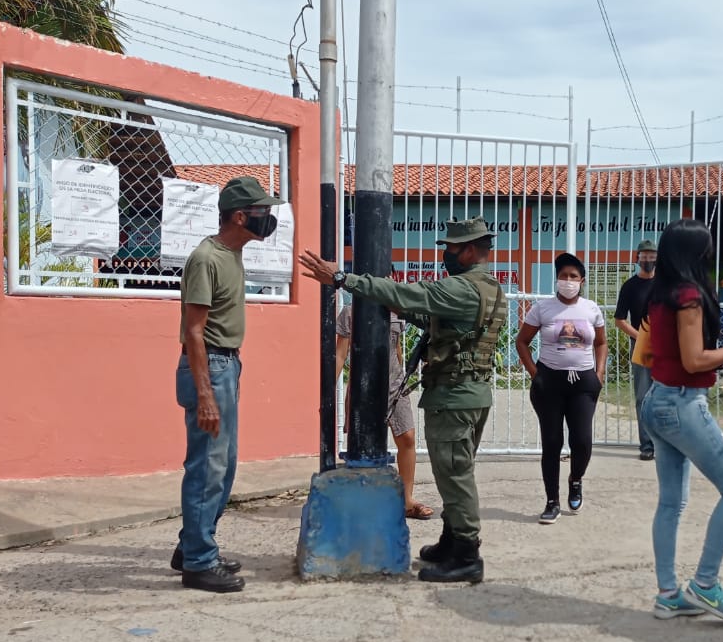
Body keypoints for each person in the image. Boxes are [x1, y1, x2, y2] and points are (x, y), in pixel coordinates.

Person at [299, 217, 507, 584]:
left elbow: (412, 295)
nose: (446, 255)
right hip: (469, 394)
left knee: (455, 477)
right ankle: (450, 539)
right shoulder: (489, 288)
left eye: (452, 249)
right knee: (451, 473)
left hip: (455, 397)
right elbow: (435, 321)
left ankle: (467, 554)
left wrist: (343, 279)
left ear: (470, 250)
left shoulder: (460, 289)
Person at [639, 219, 723, 622]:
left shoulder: (661, 294)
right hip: (682, 404)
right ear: (696, 253)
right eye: (708, 248)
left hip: (658, 399)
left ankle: (668, 593)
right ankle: (705, 584)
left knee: (671, 502)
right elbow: (694, 360)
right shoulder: (688, 297)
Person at [173, 175, 282, 593]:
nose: (267, 218)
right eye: (261, 212)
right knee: (207, 469)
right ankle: (198, 563)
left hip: (226, 366)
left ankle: (192, 546)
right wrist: (205, 394)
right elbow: (194, 331)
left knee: (223, 465)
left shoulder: (231, 255)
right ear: (240, 216)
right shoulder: (207, 258)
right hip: (210, 367)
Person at [515, 253, 607, 524]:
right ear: (556, 279)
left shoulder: (592, 309)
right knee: (552, 442)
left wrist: (599, 373)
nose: (568, 281)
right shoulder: (543, 308)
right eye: (563, 276)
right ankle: (552, 501)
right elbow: (522, 342)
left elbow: (601, 343)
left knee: (582, 441)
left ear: (582, 281)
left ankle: (576, 479)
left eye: (573, 277)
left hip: (583, 383)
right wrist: (535, 374)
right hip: (549, 382)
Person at [336, 305, 432, 519]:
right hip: (363, 386)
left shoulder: (397, 310)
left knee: (407, 438)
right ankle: (362, 502)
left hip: (394, 384)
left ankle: (407, 501)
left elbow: (396, 348)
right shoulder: (351, 312)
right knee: (361, 445)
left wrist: (402, 376)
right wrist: (327, 393)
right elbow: (341, 354)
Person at [614, 239, 659, 460]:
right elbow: (619, 320)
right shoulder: (630, 286)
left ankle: (666, 445)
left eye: (652, 255)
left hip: (665, 347)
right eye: (644, 255)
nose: (648, 259)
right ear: (637, 258)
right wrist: (641, 337)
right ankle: (647, 446)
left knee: (666, 396)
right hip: (640, 346)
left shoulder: (665, 284)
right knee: (643, 396)